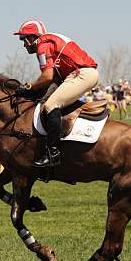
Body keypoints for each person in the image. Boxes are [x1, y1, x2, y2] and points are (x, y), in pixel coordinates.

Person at [13, 19, 99, 168]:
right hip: (79, 74)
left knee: (51, 105)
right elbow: (53, 79)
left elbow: (47, 77)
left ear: (32, 37)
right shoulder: (47, 43)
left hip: (82, 74)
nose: (23, 44)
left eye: (23, 38)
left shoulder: (42, 46)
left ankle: (53, 153)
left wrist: (28, 87)